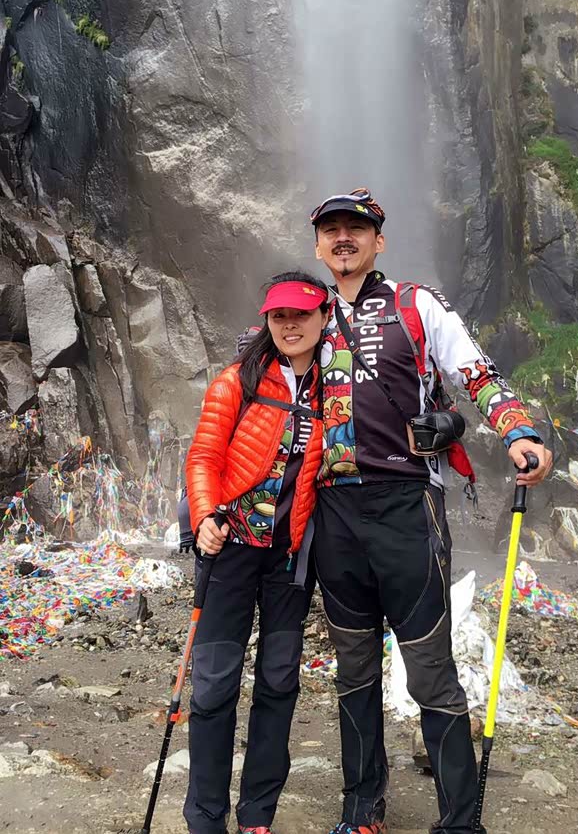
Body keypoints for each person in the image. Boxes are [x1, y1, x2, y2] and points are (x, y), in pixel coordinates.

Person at [309, 189, 553, 834]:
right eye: (331, 230)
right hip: (334, 509)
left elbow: (478, 373)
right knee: (353, 667)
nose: (343, 238)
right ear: (318, 244)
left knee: (429, 667)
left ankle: (459, 821)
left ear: (378, 240)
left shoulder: (416, 304)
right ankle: (362, 811)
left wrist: (518, 432)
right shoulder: (305, 313)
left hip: (407, 503)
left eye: (356, 228)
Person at [183, 271, 330, 834]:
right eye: (279, 316)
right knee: (214, 684)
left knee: (279, 680)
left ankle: (257, 817)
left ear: (323, 317)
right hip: (229, 551)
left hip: (290, 557)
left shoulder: (335, 390)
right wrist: (204, 517)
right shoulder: (236, 381)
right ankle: (206, 819)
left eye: (301, 314)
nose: (290, 325)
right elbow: (204, 456)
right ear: (267, 320)